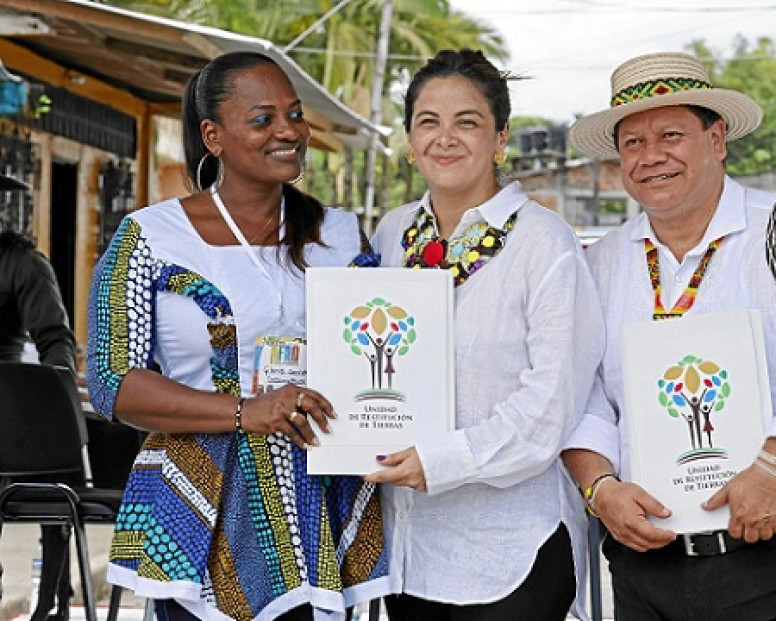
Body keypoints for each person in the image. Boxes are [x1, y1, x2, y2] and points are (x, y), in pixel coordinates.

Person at [562, 51, 776, 620]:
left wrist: (774, 469)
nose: (651, 156)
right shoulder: (602, 261)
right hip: (647, 566)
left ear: (717, 138)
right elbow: (585, 393)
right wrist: (600, 488)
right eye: (633, 143)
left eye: (671, 135)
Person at [86, 51, 389, 621]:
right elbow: (112, 383)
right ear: (213, 136)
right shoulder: (150, 237)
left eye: (294, 115)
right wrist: (247, 411)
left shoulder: (342, 235)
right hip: (198, 510)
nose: (288, 131)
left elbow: (384, 350)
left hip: (321, 501)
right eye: (262, 119)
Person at [364, 49, 605, 620]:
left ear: (500, 138)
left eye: (467, 122)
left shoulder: (543, 243)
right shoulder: (392, 234)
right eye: (428, 121)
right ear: (410, 138)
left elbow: (550, 407)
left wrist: (441, 460)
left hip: (509, 548)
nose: (445, 138)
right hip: (409, 550)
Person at [0, 172, 77, 620]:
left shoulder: (22, 261)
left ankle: (51, 599)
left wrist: (54, 408)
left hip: (8, 408)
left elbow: (54, 341)